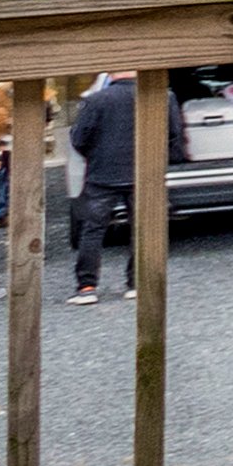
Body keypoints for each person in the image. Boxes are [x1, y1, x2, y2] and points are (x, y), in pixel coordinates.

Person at [63, 68, 139, 302]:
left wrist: (95, 155)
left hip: (102, 173)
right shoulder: (162, 96)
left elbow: (78, 138)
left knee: (93, 230)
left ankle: (87, 287)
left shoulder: (95, 100)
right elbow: (174, 134)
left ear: (111, 74)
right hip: (143, 171)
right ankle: (137, 283)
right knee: (143, 228)